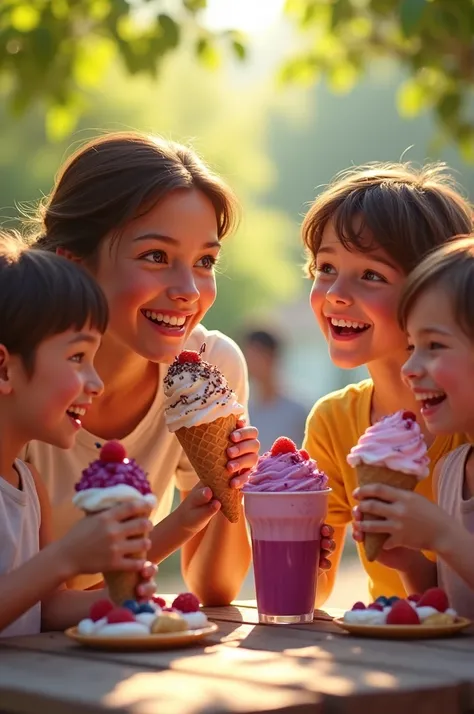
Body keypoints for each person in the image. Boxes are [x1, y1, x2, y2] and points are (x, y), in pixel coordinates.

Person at [25, 131, 333, 605]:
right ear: (74, 264)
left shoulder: (211, 367)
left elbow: (216, 587)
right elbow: (37, 599)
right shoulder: (19, 379)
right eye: (156, 256)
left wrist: (230, 483)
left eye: (205, 260)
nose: (189, 289)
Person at [301, 161, 474, 606]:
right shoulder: (334, 422)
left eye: (371, 275)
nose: (336, 293)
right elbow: (312, 593)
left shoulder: (463, 423)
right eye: (325, 268)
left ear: (432, 290)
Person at [0, 232, 156, 636]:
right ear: (4, 369)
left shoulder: (28, 484)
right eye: (77, 357)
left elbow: (45, 608)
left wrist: (119, 598)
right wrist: (66, 557)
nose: (97, 382)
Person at [352, 236, 474, 617]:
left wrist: (443, 535)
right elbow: (452, 601)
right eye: (410, 347)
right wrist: (408, 561)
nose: (409, 369)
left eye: (434, 345)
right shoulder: (451, 470)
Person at [241, 328, 308, 453]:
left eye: (257, 355)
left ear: (273, 357)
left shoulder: (298, 411)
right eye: (248, 356)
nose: (251, 363)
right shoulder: (241, 410)